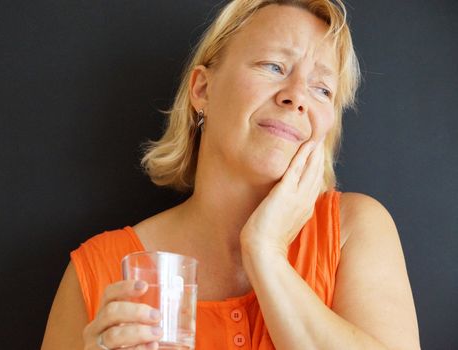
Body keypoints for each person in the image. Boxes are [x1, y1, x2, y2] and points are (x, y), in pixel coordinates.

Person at [41, 0, 420, 349]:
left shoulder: (353, 230)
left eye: (322, 89)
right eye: (274, 66)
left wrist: (264, 251)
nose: (298, 96)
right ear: (202, 90)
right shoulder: (96, 271)